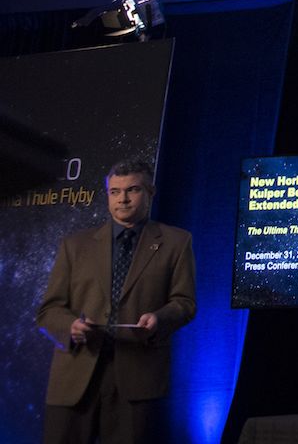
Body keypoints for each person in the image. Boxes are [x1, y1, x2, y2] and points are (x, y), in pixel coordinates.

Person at [36, 159, 197, 444]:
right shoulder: (75, 245)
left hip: (137, 376)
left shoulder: (176, 242)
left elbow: (184, 302)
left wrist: (159, 319)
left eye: (132, 190)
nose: (123, 199)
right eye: (115, 192)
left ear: (150, 192)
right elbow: (49, 310)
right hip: (75, 375)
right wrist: (70, 327)